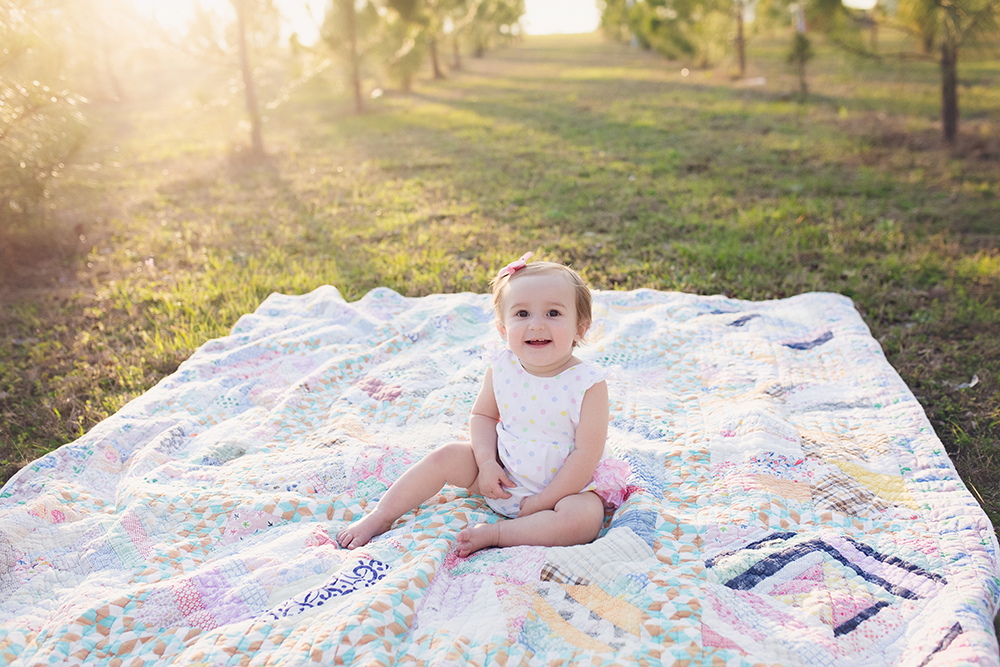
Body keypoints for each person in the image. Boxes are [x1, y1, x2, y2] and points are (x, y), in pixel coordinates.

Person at [337, 252, 630, 557]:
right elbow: (483, 415)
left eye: (553, 313)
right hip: (502, 476)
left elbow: (586, 455)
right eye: (522, 314)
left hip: (564, 489)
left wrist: (546, 500)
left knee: (584, 519)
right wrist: (488, 464)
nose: (537, 325)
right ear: (503, 329)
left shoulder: (588, 383)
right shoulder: (502, 366)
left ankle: (499, 534)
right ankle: (381, 516)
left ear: (581, 328)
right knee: (447, 455)